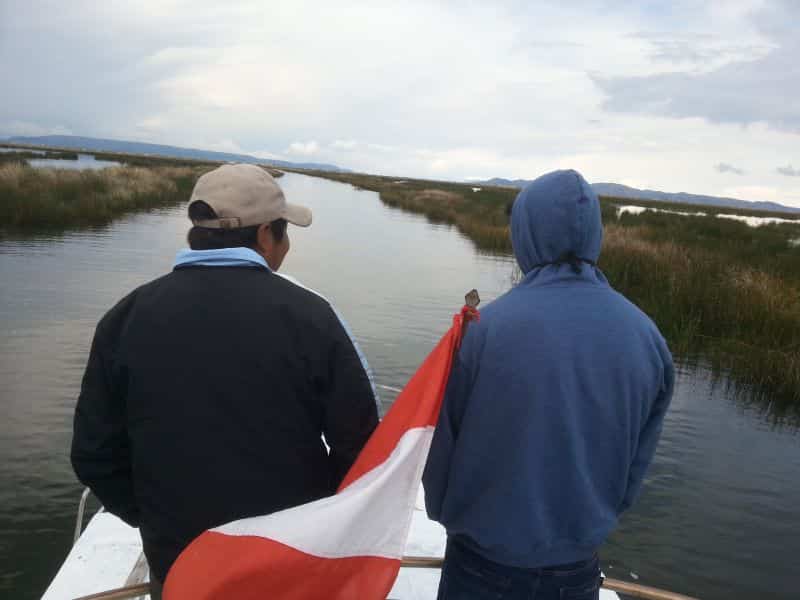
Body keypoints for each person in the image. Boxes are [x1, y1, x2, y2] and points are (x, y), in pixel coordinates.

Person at [71, 164, 379, 598]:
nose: (286, 246)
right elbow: (362, 446)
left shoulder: (125, 317)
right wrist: (315, 517)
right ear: (265, 236)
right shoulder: (313, 318)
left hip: (179, 562)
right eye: (285, 232)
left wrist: (153, 515)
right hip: (286, 559)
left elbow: (94, 453)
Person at [423, 169, 674, 600]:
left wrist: (450, 516)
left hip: (480, 567)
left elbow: (439, 454)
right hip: (576, 572)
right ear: (596, 234)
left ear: (526, 234)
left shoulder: (482, 331)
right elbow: (634, 469)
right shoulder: (647, 339)